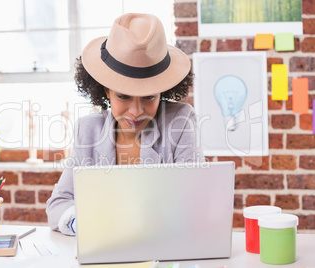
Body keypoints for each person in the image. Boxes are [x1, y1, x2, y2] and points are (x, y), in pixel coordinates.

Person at [46, 13, 204, 235]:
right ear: (105, 90)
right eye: (123, 96)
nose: (136, 111)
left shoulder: (180, 122)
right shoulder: (89, 130)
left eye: (149, 97)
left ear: (163, 92)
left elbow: (196, 200)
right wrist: (82, 225)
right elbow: (59, 203)